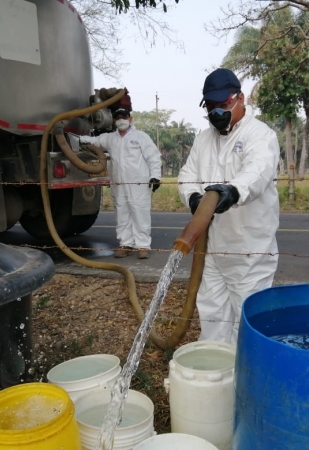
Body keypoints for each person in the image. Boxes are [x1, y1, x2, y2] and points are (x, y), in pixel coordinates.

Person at [177, 68, 281, 345]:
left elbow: (257, 172)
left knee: (245, 320)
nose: (216, 113)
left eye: (223, 106)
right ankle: (213, 371)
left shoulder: (260, 135)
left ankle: (242, 377)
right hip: (212, 247)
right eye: (210, 107)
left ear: (240, 99)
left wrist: (232, 192)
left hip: (249, 249)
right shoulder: (204, 138)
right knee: (211, 312)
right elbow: (187, 175)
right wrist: (193, 197)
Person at [77, 108, 162, 259]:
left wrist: (155, 176)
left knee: (139, 212)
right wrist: (79, 139)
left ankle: (142, 246)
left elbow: (153, 156)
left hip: (138, 183)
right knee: (122, 213)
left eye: (124, 117)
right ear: (114, 121)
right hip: (118, 184)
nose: (121, 120)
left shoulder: (140, 137)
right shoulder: (110, 138)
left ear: (130, 119)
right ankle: (126, 244)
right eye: (118, 117)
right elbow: (95, 141)